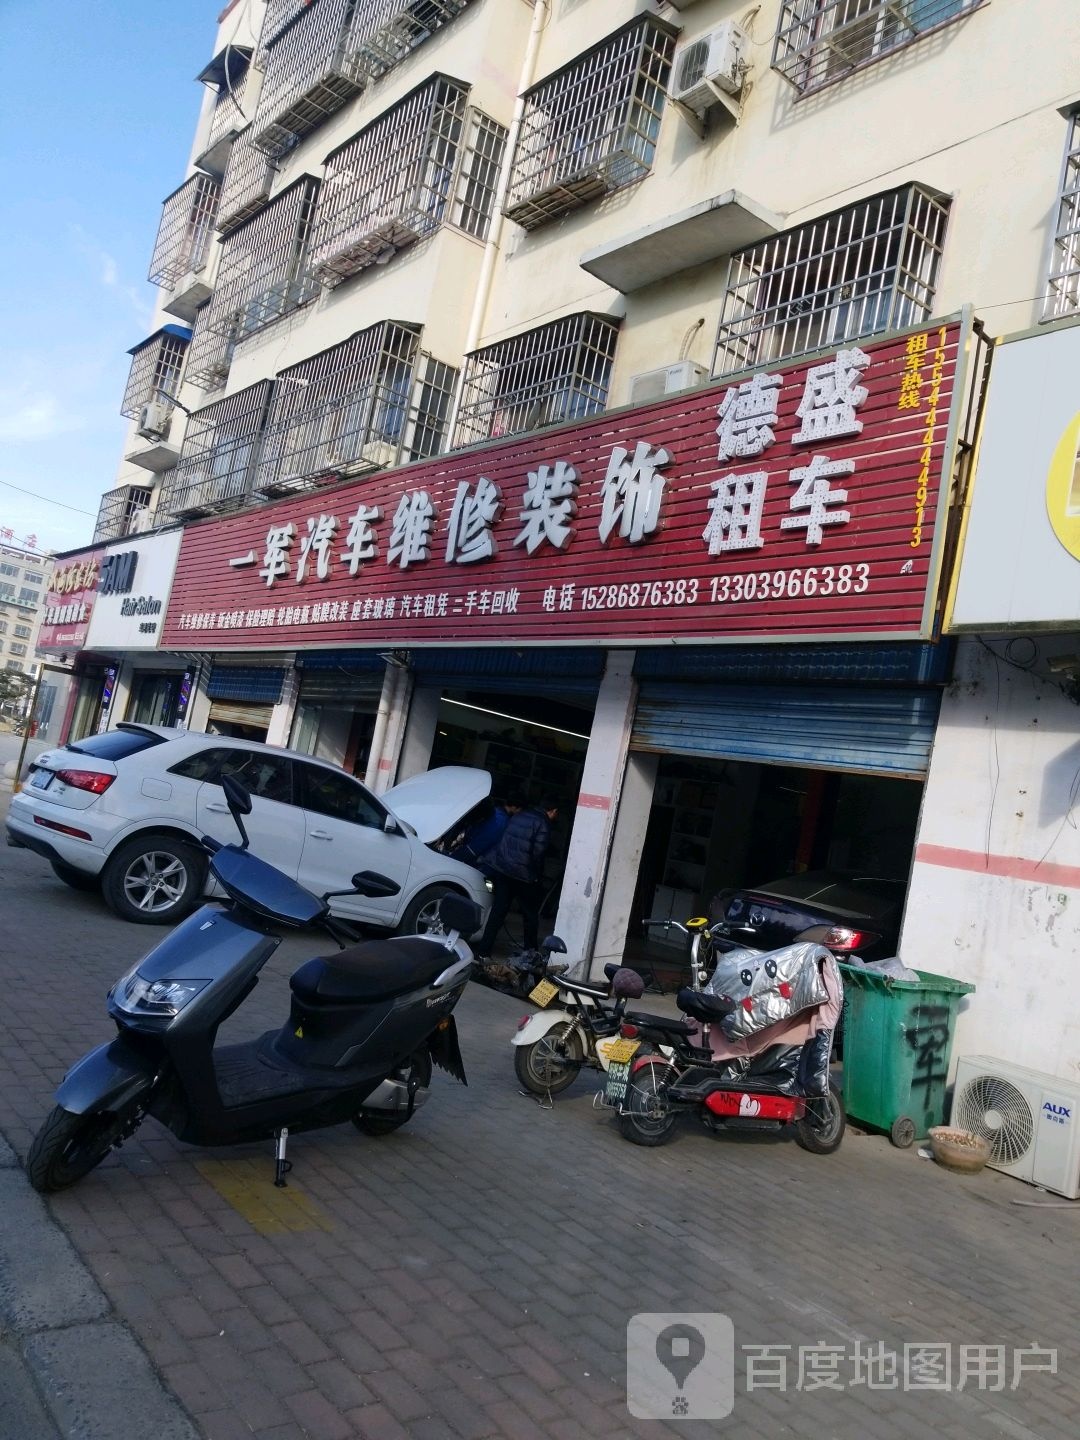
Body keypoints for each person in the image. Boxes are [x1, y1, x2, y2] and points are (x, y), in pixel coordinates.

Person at [474, 799, 559, 957]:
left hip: (504, 870)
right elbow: (538, 853)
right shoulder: (544, 823)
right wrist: (535, 877)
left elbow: (505, 842)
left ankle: (483, 951)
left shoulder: (520, 815)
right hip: (524, 876)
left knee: (498, 912)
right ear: (553, 811)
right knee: (530, 916)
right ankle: (530, 954)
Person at [449, 795, 520, 874]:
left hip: (469, 853)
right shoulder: (501, 821)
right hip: (477, 862)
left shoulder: (494, 811)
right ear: (514, 807)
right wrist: (454, 858)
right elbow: (480, 843)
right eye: (520, 810)